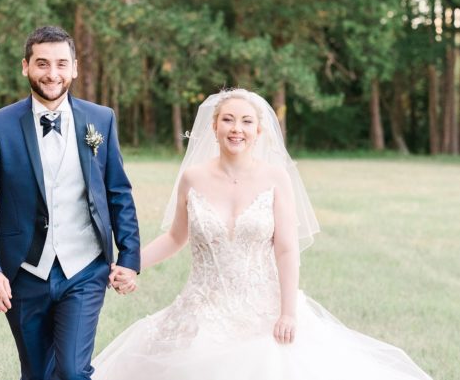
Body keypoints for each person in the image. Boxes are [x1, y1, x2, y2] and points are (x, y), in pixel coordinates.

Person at [95, 89, 432, 380]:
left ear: (259, 131)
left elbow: (286, 250)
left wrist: (288, 312)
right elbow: (174, 238)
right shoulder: (193, 178)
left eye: (246, 121)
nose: (236, 128)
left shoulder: (275, 178)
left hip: (264, 310)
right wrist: (131, 264)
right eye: (228, 119)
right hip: (202, 307)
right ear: (214, 126)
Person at [0, 25, 140, 380]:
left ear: (75, 68)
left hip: (85, 268)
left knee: (73, 371)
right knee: (37, 373)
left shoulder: (100, 119)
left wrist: (130, 257)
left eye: (61, 64)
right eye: (42, 63)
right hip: (23, 272)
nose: (52, 73)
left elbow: (118, 191)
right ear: (25, 66)